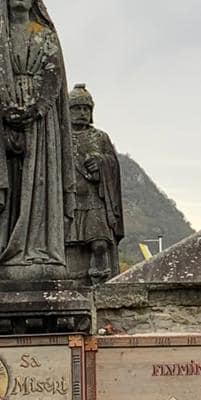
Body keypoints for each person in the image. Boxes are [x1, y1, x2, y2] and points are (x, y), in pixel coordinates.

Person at [0, 0, 75, 276]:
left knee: (39, 181)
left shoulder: (45, 35)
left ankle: (38, 248)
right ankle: (2, 249)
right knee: (10, 181)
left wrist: (37, 108)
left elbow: (54, 77)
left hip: (40, 122)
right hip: (0, 120)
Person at [66, 83, 124, 285]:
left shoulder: (100, 137)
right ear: (68, 110)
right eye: (77, 108)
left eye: (86, 109)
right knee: (70, 246)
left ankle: (100, 283)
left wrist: (101, 163)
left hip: (95, 200)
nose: (82, 113)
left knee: (99, 244)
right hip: (70, 200)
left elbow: (113, 164)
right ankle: (74, 284)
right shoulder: (60, 137)